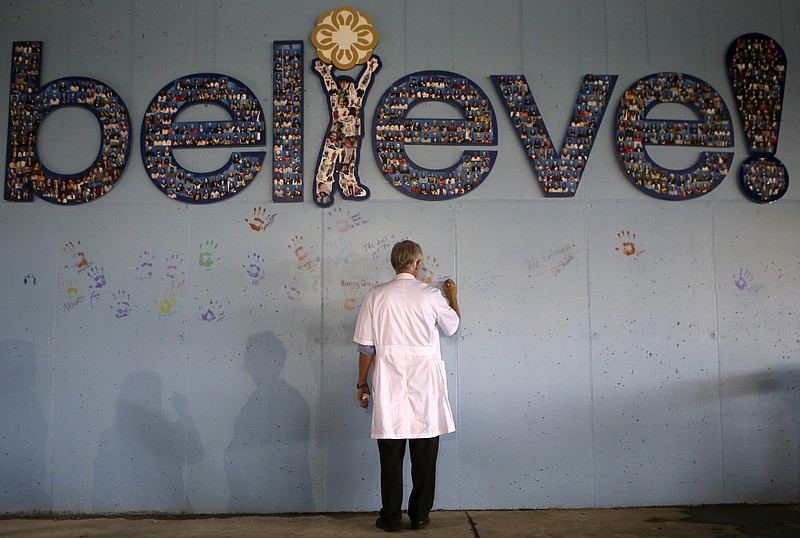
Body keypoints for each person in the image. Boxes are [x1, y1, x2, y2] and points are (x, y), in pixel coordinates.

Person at [353, 240, 461, 532]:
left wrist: (362, 384)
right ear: (417, 264)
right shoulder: (430, 295)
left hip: (389, 380)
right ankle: (420, 515)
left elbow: (366, 348)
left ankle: (390, 518)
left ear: (393, 263)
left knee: (390, 454)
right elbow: (452, 326)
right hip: (425, 381)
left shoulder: (375, 296)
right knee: (425, 452)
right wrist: (453, 296)